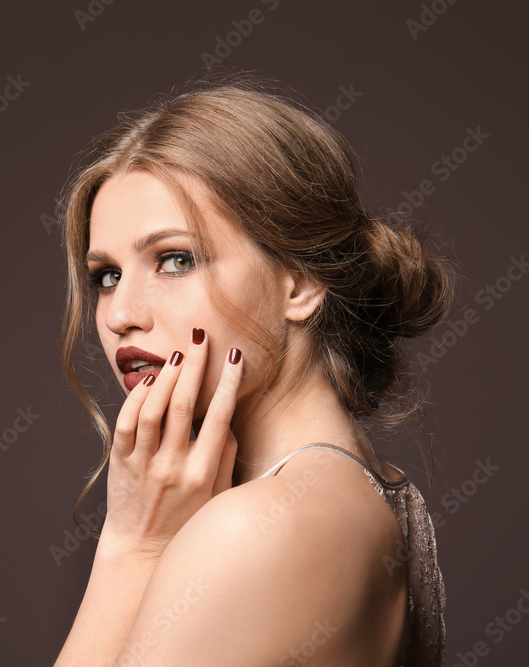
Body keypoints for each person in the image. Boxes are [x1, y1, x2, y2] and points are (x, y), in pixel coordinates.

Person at [52, 75, 454, 666]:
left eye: (175, 259)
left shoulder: (257, 529)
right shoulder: (375, 495)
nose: (120, 315)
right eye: (106, 275)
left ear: (302, 281)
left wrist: (133, 547)